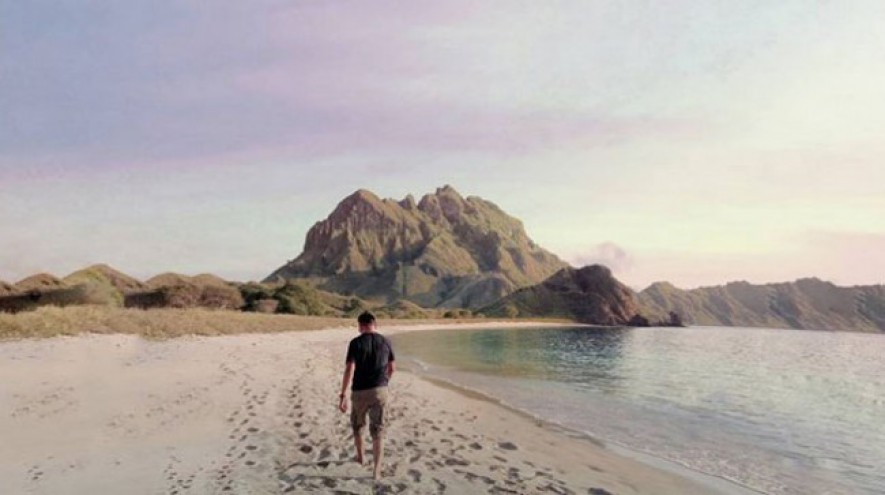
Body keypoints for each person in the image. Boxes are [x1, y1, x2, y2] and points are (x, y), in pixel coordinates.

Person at [338, 311, 395, 480]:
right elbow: (392, 368)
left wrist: (343, 394)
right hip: (380, 390)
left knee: (358, 426)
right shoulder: (386, 341)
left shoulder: (355, 343)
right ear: (374, 324)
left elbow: (350, 369)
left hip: (359, 391)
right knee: (378, 430)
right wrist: (384, 383)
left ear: (360, 326)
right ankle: (376, 470)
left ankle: (361, 458)